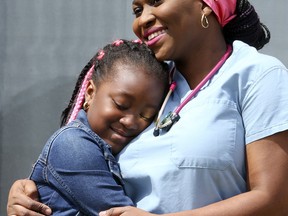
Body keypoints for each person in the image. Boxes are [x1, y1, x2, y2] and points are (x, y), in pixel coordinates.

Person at [7, 0, 288, 215]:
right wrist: (35, 192)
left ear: (205, 5)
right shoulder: (150, 85)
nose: (144, 18)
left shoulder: (257, 75)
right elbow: (87, 161)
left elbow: (275, 201)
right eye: (137, 9)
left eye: (156, 1)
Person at [8, 39, 170, 215]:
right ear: (90, 93)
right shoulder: (72, 146)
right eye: (121, 105)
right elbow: (118, 212)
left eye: (145, 115)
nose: (130, 121)